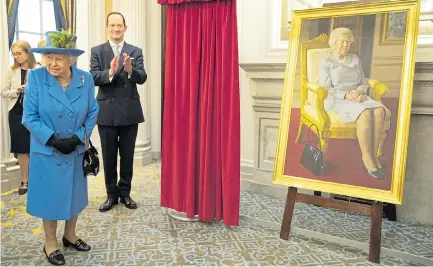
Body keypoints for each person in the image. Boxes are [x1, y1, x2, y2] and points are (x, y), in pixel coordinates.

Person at [23, 30, 99, 266]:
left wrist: (77, 139)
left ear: (71, 59)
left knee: (75, 195)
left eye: (59, 58)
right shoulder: (36, 78)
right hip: (48, 150)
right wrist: (54, 140)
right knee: (50, 198)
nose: (53, 63)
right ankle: (50, 243)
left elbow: (93, 111)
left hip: (75, 150)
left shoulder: (85, 79)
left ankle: (70, 235)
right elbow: (29, 117)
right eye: (49, 57)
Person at [90, 12, 147, 212]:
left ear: (125, 27)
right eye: (112, 25)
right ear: (107, 27)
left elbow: (142, 77)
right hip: (106, 112)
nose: (116, 29)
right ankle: (111, 195)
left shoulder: (135, 51)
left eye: (119, 26)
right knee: (109, 155)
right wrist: (111, 72)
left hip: (130, 111)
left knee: (127, 155)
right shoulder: (97, 51)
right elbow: (93, 77)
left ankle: (125, 193)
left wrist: (131, 69)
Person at [318, 27, 387, 180]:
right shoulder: (326, 62)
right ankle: (367, 158)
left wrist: (359, 92)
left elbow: (363, 82)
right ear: (333, 43)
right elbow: (326, 89)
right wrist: (347, 94)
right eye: (342, 41)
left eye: (348, 42)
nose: (346, 45)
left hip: (358, 96)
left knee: (379, 111)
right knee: (365, 112)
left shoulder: (355, 59)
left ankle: (374, 156)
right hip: (338, 99)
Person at [1, 40, 40, 195]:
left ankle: (38, 179)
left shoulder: (39, 69)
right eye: (14, 54)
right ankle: (25, 181)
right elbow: (3, 92)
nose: (16, 57)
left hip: (35, 113)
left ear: (28, 52)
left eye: (19, 53)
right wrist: (17, 90)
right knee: (22, 149)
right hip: (16, 113)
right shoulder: (11, 71)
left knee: (37, 146)